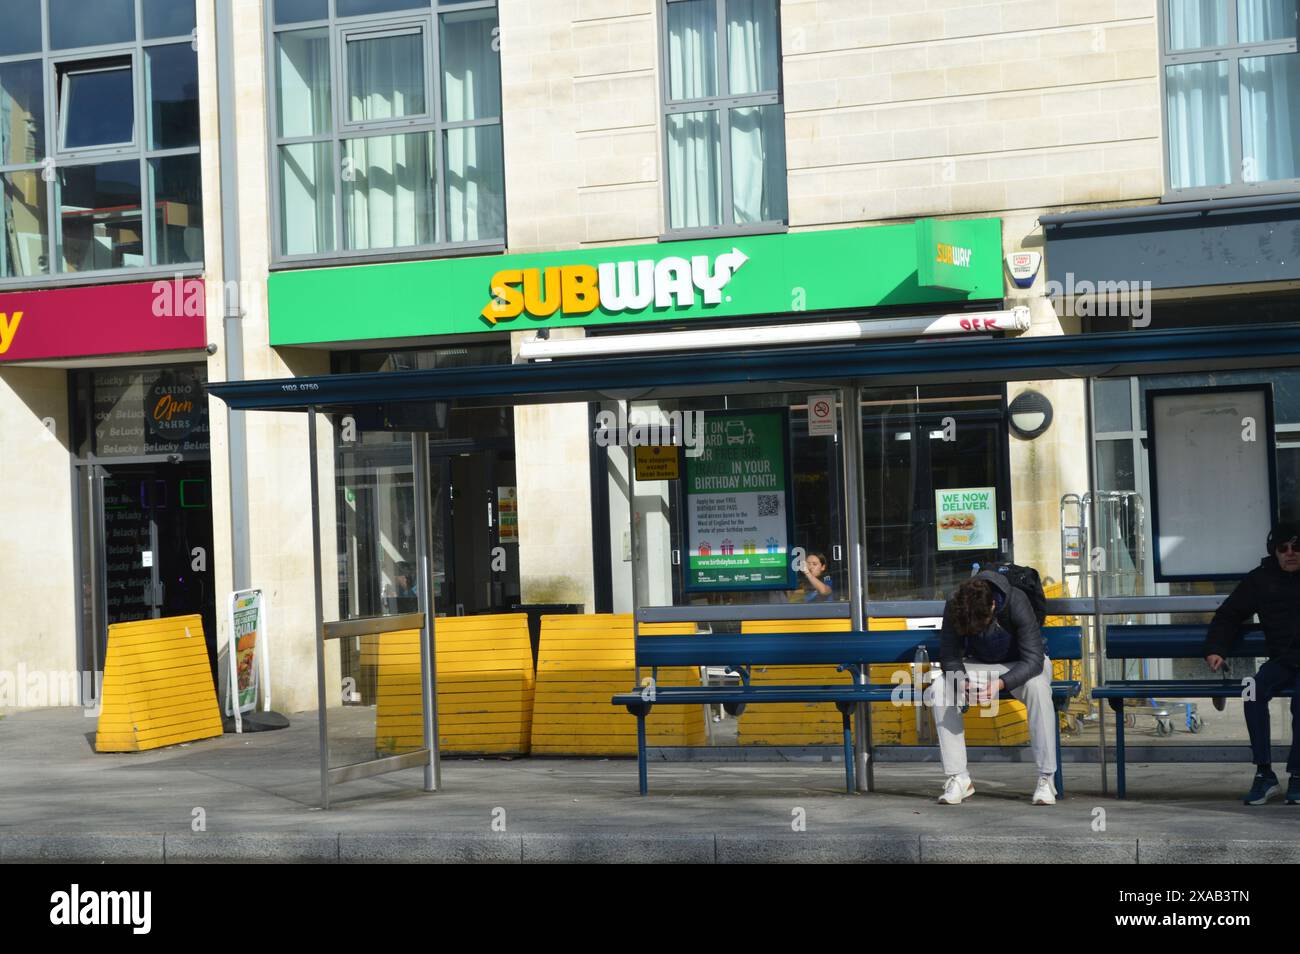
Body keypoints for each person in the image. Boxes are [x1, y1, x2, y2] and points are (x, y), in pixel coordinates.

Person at [932, 568, 1057, 806]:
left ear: (992, 607)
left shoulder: (1016, 601)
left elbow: (1033, 660)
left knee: (1039, 688)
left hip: (1025, 662)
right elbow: (949, 657)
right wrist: (962, 682)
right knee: (940, 687)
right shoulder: (956, 604)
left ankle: (1046, 777)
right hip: (980, 665)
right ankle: (959, 778)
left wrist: (1000, 684)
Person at [1203, 520, 1300, 806]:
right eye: (1284, 548)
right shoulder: (1260, 579)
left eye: (1297, 547)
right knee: (1251, 690)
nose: (1291, 553)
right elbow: (1229, 615)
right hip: (1282, 661)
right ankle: (1264, 773)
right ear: (1275, 551)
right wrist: (1215, 649)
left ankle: (1298, 775)